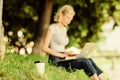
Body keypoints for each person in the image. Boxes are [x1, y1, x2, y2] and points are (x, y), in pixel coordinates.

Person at [42, 4, 105, 80]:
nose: (69, 21)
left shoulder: (64, 29)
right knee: (84, 62)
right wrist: (61, 55)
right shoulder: (52, 28)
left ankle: (102, 78)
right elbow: (44, 48)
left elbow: (60, 47)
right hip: (56, 61)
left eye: (70, 19)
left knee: (89, 59)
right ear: (61, 14)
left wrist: (68, 53)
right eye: (67, 18)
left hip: (64, 59)